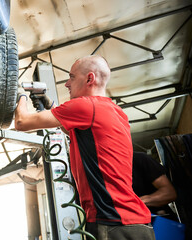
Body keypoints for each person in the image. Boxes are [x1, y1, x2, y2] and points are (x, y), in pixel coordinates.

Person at [15, 55, 155, 240]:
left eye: (72, 77)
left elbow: (21, 122)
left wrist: (19, 93)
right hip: (132, 224)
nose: (66, 84)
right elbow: (70, 128)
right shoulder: (115, 112)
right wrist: (48, 104)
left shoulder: (85, 106)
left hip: (113, 223)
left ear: (90, 79)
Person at [132, 151, 177, 219]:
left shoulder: (138, 159)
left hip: (159, 221)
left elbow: (169, 193)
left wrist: (134, 203)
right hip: (127, 224)